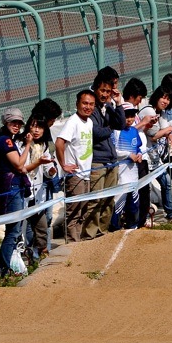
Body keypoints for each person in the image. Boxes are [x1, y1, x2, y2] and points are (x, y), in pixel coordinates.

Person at [0, 107, 46, 275]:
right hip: (11, 187)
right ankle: (4, 268)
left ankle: (7, 266)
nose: (17, 126)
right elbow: (18, 164)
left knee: (16, 230)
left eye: (19, 123)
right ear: (6, 122)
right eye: (13, 122)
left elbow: (21, 167)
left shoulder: (9, 140)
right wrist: (28, 144)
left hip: (15, 185)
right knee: (14, 230)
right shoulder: (5, 141)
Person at [85, 69, 126, 239]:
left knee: (109, 200)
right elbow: (96, 132)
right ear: (95, 88)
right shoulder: (90, 108)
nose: (105, 94)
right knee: (95, 200)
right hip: (97, 161)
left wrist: (118, 103)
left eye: (108, 91)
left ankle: (103, 232)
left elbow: (121, 124)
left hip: (111, 160)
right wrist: (110, 129)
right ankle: (90, 234)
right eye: (102, 90)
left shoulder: (108, 106)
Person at [139, 87, 172, 224]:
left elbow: (166, 127)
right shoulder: (149, 110)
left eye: (168, 99)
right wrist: (170, 129)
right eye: (163, 98)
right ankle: (143, 218)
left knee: (167, 182)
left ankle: (171, 213)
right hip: (144, 157)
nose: (165, 101)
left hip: (154, 158)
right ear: (156, 97)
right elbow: (154, 135)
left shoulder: (160, 114)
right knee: (144, 189)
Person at [56, 90, 96, 242]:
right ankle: (72, 246)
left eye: (91, 104)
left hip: (86, 174)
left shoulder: (90, 122)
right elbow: (59, 142)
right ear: (77, 104)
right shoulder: (73, 121)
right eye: (85, 103)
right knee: (74, 213)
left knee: (84, 211)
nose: (88, 107)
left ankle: (79, 244)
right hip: (75, 176)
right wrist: (63, 164)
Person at [17, 115, 57, 259]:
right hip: (23, 193)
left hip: (38, 193)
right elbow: (22, 168)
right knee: (22, 229)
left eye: (39, 127)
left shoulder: (44, 145)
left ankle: (42, 256)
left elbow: (47, 166)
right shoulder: (21, 144)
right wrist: (40, 163)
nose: (36, 130)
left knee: (41, 227)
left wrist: (52, 170)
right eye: (33, 126)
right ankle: (24, 257)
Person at [110, 103, 146, 231]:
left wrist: (139, 155)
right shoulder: (116, 132)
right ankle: (114, 227)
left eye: (132, 116)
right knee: (119, 202)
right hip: (121, 173)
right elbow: (114, 152)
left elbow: (138, 148)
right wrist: (128, 155)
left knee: (134, 202)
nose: (129, 119)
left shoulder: (134, 131)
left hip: (133, 173)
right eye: (126, 116)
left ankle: (133, 226)